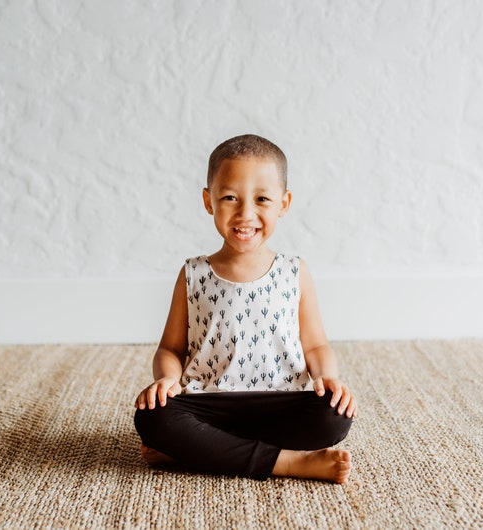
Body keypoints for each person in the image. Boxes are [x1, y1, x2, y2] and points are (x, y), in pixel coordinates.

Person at [134, 134, 356, 483]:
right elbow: (170, 349)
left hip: (280, 402)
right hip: (209, 404)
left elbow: (314, 344)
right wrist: (167, 379)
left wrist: (329, 378)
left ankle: (197, 453)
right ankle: (289, 463)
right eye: (230, 198)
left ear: (284, 204)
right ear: (209, 201)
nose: (245, 213)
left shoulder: (294, 272)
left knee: (334, 416)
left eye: (262, 199)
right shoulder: (194, 274)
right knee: (153, 417)